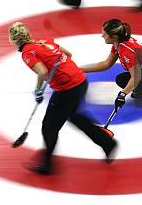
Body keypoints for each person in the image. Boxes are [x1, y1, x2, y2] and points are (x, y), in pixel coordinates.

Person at [8, 22, 117, 174]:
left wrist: (38, 91)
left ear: (14, 40)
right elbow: (69, 54)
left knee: (49, 126)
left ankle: (47, 165)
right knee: (75, 116)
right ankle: (108, 143)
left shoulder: (27, 53)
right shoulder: (45, 42)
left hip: (67, 89)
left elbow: (41, 71)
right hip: (80, 81)